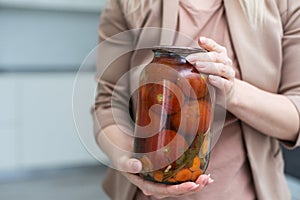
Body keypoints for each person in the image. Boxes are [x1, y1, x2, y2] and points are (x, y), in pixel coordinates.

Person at [92, 0, 300, 199]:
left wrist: (233, 92)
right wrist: (128, 159)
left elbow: (295, 116)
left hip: (243, 194)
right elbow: (108, 103)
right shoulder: (130, 2)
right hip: (145, 193)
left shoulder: (285, 3)